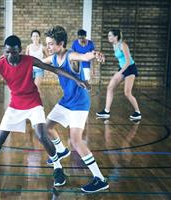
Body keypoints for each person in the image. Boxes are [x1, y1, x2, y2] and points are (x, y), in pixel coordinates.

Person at [0, 35, 95, 187]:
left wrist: (77, 80)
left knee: (42, 135)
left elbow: (55, 69)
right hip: (15, 104)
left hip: (33, 103)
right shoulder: (0, 64)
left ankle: (58, 168)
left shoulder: (29, 60)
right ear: (4, 51)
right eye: (7, 52)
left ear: (20, 51)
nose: (11, 56)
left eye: (14, 52)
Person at [42, 26, 109, 193]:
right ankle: (61, 150)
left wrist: (96, 54)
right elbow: (38, 62)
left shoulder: (70, 55)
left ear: (61, 44)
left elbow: (85, 55)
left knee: (76, 141)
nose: (48, 47)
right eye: (47, 44)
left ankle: (100, 179)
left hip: (79, 103)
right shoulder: (53, 58)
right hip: (66, 101)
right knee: (46, 127)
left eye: (51, 44)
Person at [96, 29, 141, 120]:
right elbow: (121, 60)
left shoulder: (123, 45)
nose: (108, 37)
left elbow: (128, 61)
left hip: (130, 68)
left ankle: (138, 112)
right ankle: (106, 111)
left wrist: (120, 72)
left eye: (110, 36)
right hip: (123, 68)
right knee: (110, 87)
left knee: (127, 93)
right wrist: (103, 58)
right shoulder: (114, 45)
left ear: (116, 37)